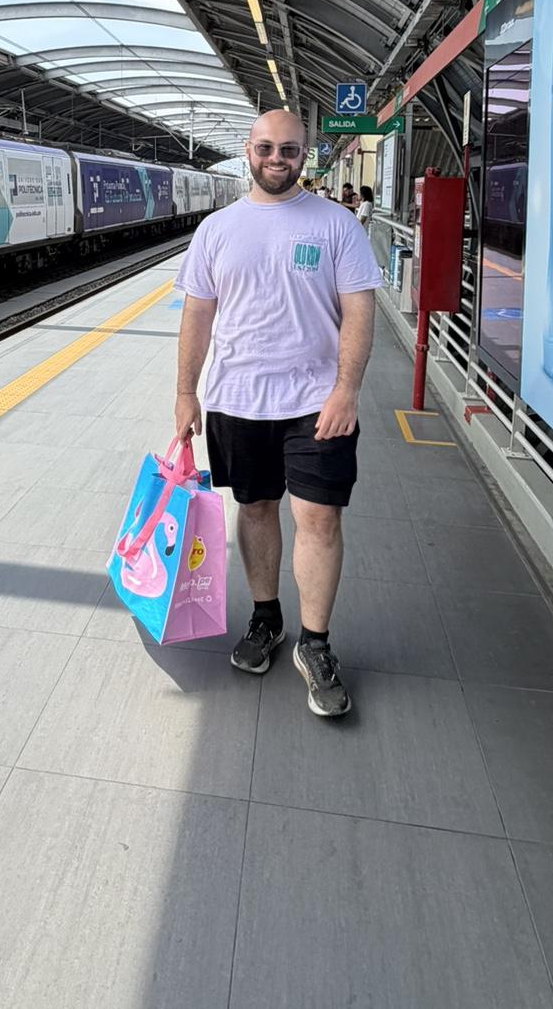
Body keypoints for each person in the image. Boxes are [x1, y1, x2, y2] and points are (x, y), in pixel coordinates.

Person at [173, 110, 383, 718]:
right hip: (237, 399)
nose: (276, 158)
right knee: (256, 507)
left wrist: (347, 389)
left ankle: (315, 645)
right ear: (248, 150)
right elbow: (197, 315)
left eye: (288, 149)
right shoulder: (216, 229)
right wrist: (185, 393)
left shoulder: (336, 224)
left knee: (319, 518)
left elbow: (360, 309)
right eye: (265, 147)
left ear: (304, 155)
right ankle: (266, 618)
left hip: (317, 402)